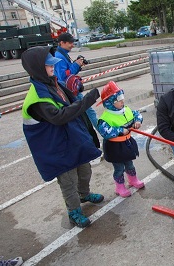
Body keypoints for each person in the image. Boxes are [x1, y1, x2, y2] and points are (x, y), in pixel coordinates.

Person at [21, 46, 104, 228]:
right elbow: (59, 117)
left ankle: (84, 194)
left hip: (72, 139)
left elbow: (69, 101)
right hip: (57, 147)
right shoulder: (37, 97)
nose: (52, 67)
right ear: (36, 68)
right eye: (48, 65)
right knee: (68, 182)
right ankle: (74, 212)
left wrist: (76, 89)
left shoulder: (52, 82)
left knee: (85, 171)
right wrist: (86, 100)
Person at [97, 81, 144, 198]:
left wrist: (138, 121)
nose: (122, 100)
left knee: (129, 164)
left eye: (122, 97)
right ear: (110, 103)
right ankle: (120, 187)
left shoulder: (126, 110)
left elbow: (137, 114)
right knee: (119, 168)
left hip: (126, 144)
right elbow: (105, 131)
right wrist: (119, 130)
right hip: (114, 147)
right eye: (118, 99)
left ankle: (133, 180)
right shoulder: (105, 118)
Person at [54, 32, 98, 130]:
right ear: (62, 43)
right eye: (70, 43)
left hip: (71, 90)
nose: (72, 45)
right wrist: (76, 65)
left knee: (85, 113)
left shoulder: (63, 54)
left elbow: (68, 72)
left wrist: (77, 65)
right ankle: (104, 133)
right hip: (71, 91)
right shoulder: (59, 57)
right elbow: (63, 77)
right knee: (89, 112)